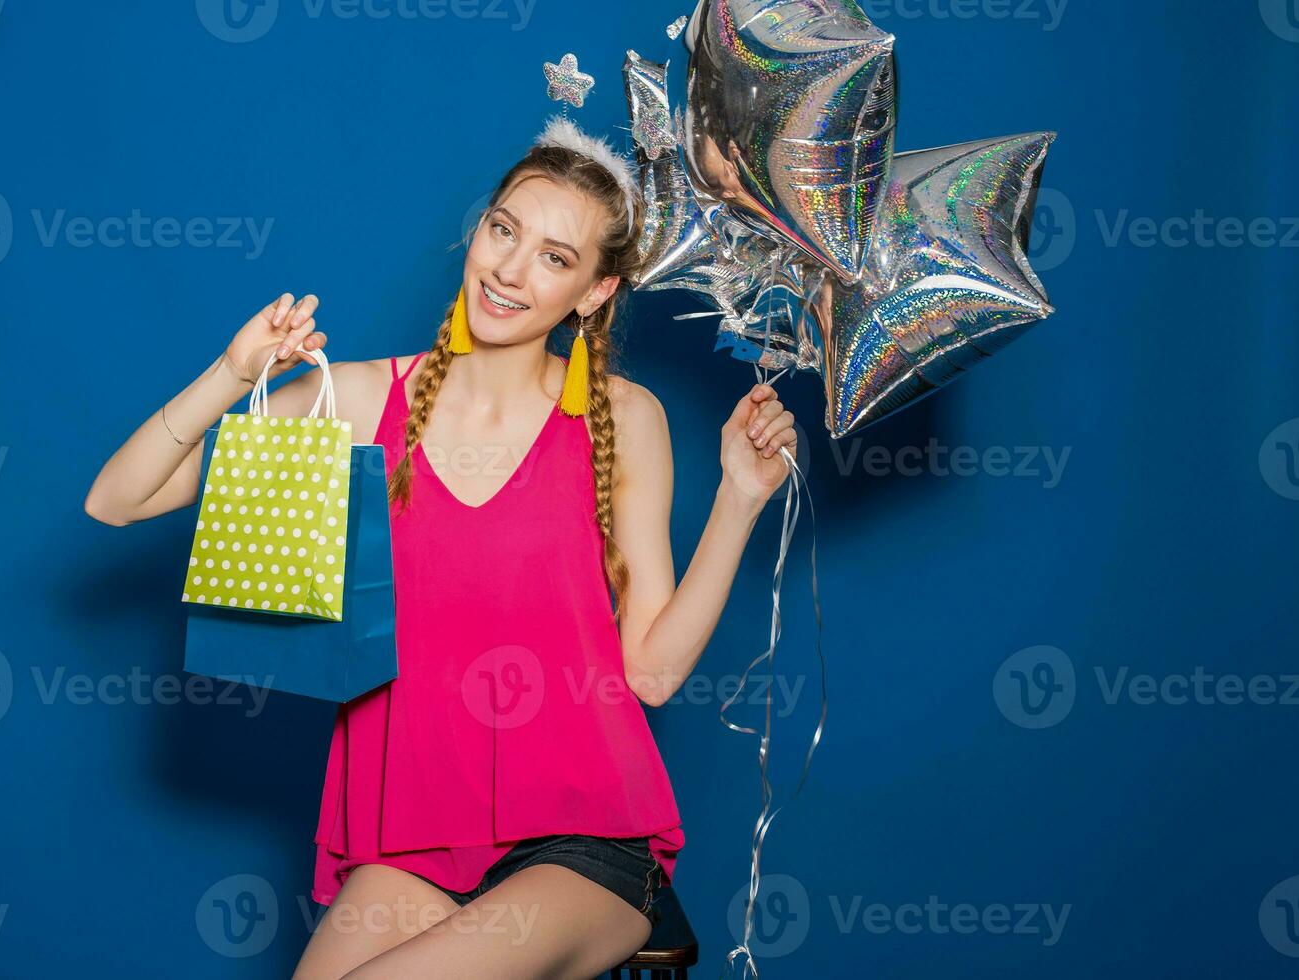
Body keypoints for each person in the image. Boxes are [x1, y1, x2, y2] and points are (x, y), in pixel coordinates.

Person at [83, 116, 798, 979]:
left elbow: (649, 672)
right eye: (505, 230)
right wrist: (234, 373)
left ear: (595, 293)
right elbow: (118, 500)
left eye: (554, 257)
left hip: (584, 844)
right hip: (414, 841)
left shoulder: (625, 417)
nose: (509, 269)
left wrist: (740, 499)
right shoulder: (354, 401)